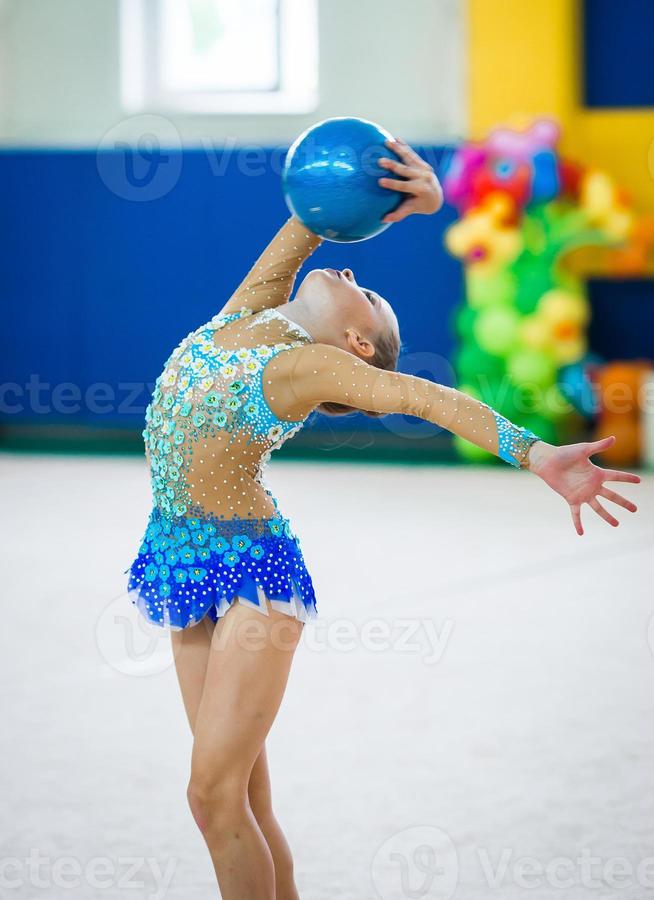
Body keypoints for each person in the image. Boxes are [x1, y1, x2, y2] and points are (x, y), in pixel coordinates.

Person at [125, 139, 640, 900]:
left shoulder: (314, 367)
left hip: (254, 577)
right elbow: (314, 216)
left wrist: (533, 454)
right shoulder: (249, 312)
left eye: (369, 297)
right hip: (176, 560)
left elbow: (427, 398)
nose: (353, 275)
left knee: (209, 796)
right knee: (240, 800)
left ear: (358, 344)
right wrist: (417, 201)